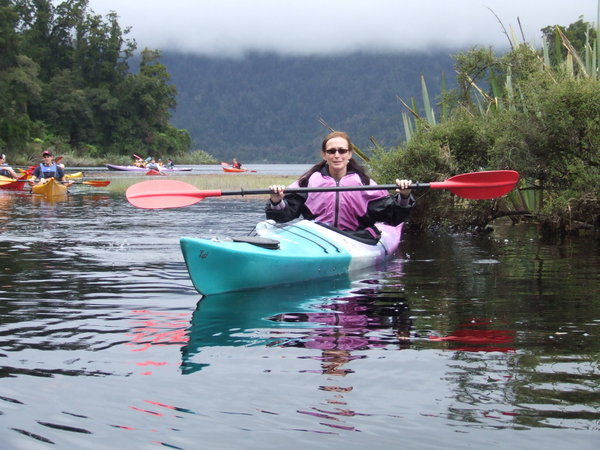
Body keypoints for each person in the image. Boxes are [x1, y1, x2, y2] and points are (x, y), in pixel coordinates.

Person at [267, 131, 414, 243]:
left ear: (349, 154)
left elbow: (391, 216)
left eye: (342, 151)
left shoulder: (365, 184)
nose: (337, 155)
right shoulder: (307, 182)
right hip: (317, 238)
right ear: (324, 155)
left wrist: (404, 196)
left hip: (356, 239)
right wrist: (276, 201)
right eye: (331, 151)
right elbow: (283, 216)